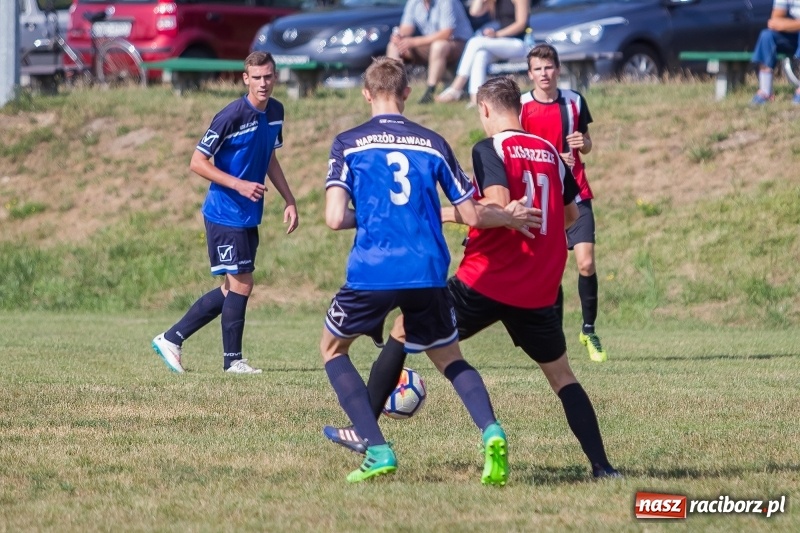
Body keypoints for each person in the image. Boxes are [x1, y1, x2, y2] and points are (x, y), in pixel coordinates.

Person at [324, 76, 621, 480]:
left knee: (402, 331)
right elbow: (571, 217)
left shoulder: (489, 147)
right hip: (537, 288)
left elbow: (494, 207)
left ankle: (365, 434)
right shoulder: (550, 152)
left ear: (484, 109)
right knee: (562, 376)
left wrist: (437, 215)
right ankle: (602, 467)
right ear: (520, 106)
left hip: (484, 279)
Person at [321, 57, 541, 484]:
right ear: (405, 93)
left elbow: (333, 218)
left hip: (374, 268)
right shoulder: (433, 142)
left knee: (333, 349)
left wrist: (369, 216)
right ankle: (491, 429)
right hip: (428, 268)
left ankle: (377, 448)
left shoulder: (348, 143)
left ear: (366, 93)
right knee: (450, 357)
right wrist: (509, 217)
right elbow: (470, 215)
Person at [151, 51, 299, 375]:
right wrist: (239, 184)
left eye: (268, 76)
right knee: (242, 284)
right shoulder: (230, 115)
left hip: (249, 214)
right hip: (224, 213)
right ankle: (233, 361)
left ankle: (172, 338)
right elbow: (197, 161)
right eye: (256, 77)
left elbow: (269, 158)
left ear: (275, 77)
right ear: (246, 79)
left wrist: (289, 199)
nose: (263, 83)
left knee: (232, 288)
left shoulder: (276, 112)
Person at [520, 43, 607, 363]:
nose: (544, 74)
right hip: (542, 198)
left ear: (558, 69)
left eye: (548, 67)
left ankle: (589, 329)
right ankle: (551, 337)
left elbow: (587, 143)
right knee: (548, 270)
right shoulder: (522, 106)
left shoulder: (574, 101)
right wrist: (551, 158)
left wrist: (582, 143)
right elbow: (516, 149)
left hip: (577, 192)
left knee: (586, 263)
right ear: (530, 74)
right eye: (537, 69)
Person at [435, 0, 530, 106]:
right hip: (501, 43)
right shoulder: (494, 2)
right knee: (481, 54)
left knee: (475, 41)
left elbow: (521, 23)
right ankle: (475, 99)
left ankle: (456, 87)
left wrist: (497, 34)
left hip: (519, 43)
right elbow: (474, 12)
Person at [387, 0, 474, 104]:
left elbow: (446, 33)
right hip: (430, 42)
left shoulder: (447, 2)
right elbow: (407, 27)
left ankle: (430, 91)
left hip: (458, 43)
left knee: (439, 46)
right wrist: (399, 36)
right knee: (393, 46)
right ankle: (393, 89)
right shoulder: (414, 2)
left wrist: (414, 41)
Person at [751, 0, 800, 105]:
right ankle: (765, 92)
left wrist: (786, 24)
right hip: (792, 34)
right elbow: (775, 20)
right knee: (766, 36)